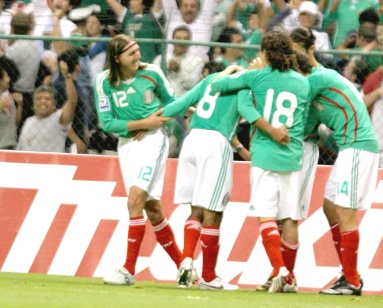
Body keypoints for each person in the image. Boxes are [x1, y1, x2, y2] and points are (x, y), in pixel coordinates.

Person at [160, 63, 289, 290]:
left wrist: (155, 119)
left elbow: (180, 103)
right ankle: (209, 277)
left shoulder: (210, 80)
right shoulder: (245, 85)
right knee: (213, 211)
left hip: (192, 141)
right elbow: (247, 112)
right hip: (214, 145)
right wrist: (270, 130)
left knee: (196, 208)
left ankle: (187, 261)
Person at [210, 30, 311, 293]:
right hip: (292, 155)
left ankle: (279, 270)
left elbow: (217, 86)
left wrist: (243, 72)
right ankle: (290, 278)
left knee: (266, 215)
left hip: (265, 155)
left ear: (265, 53)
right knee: (289, 218)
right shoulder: (303, 83)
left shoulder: (257, 77)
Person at [94, 34, 182, 286]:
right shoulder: (103, 82)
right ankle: (184, 266)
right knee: (152, 209)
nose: (138, 56)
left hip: (154, 141)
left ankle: (128, 270)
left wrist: (157, 122)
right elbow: (107, 122)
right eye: (131, 53)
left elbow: (173, 103)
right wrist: (144, 122)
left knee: (134, 200)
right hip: (127, 145)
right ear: (116, 58)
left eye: (137, 50)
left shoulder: (152, 73)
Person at [302, 42, 380, 296]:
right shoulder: (315, 90)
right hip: (349, 147)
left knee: (345, 211)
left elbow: (294, 97)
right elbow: (306, 127)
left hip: (357, 146)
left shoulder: (317, 78)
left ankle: (351, 280)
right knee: (329, 207)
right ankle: (349, 273)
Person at [17, 59, 77, 153]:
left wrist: (67, 76)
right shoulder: (29, 122)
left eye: (47, 99)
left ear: (54, 105)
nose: (43, 101)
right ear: (34, 105)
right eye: (39, 98)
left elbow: (72, 102)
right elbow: (20, 150)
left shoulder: (59, 119)